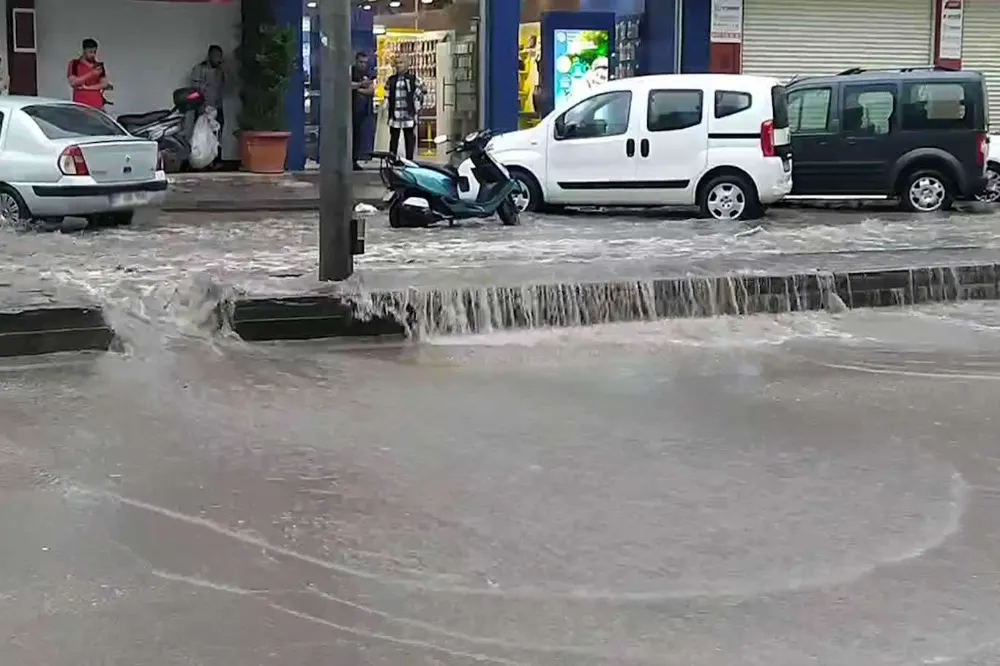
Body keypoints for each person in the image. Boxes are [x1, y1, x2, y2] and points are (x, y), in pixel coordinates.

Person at [190, 45, 227, 165]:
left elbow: (221, 89)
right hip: (203, 108)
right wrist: (203, 106)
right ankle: (201, 162)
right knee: (201, 137)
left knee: (217, 136)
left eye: (220, 57)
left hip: (217, 108)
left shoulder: (220, 71)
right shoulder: (199, 69)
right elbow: (196, 90)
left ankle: (216, 162)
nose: (219, 59)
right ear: (210, 55)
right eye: (216, 56)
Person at [385, 54, 424, 161]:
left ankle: (409, 161)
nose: (398, 66)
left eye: (401, 63)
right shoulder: (391, 80)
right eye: (397, 63)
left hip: (408, 114)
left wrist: (416, 110)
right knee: (394, 139)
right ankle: (392, 160)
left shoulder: (413, 79)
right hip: (395, 114)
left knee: (409, 139)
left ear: (408, 65)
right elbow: (387, 95)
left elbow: (419, 95)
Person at [67, 38, 111, 110]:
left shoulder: (98, 66)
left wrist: (87, 88)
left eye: (94, 52)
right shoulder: (74, 64)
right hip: (80, 105)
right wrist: (91, 74)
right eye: (90, 52)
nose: (93, 55)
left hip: (97, 105)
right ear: (84, 51)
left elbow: (104, 84)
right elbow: (73, 82)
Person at [350, 51, 374, 171]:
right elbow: (346, 85)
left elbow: (371, 90)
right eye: (361, 62)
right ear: (356, 61)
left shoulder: (367, 74)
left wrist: (357, 89)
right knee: (350, 136)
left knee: (358, 137)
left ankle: (354, 160)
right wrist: (360, 85)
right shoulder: (351, 72)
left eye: (365, 62)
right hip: (350, 110)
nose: (363, 65)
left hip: (362, 111)